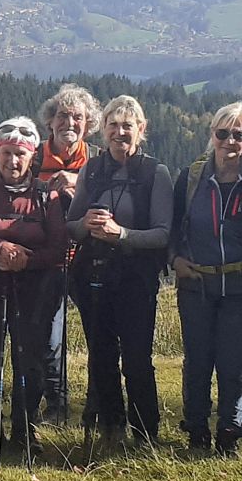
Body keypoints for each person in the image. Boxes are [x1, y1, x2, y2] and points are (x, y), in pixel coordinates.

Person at [169, 103, 242, 456]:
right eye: (222, 133)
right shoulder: (190, 178)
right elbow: (173, 227)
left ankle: (230, 433)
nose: (229, 140)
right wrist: (174, 260)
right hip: (196, 284)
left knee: (233, 363)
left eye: (238, 134)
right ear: (212, 134)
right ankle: (196, 431)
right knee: (197, 361)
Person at [64, 95, 174, 447]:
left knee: (137, 358)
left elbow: (163, 233)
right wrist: (86, 223)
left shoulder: (155, 173)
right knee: (101, 355)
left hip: (136, 279)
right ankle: (111, 427)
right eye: (113, 125)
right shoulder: (92, 170)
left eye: (128, 126)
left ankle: (145, 434)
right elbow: (70, 226)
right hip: (94, 276)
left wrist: (121, 234)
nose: (119, 132)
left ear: (141, 129)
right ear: (103, 129)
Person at [0, 117, 67, 453]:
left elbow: (59, 250)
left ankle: (25, 430)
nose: (13, 160)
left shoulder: (47, 196)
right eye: (6, 153)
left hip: (34, 292)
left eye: (20, 153)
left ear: (32, 156)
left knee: (30, 362)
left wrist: (26, 260)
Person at [34, 83, 99, 423]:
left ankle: (96, 408)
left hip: (89, 260)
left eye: (77, 117)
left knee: (98, 335)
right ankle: (56, 407)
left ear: (88, 124)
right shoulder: (33, 158)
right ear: (50, 121)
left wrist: (77, 185)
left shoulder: (99, 161)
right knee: (49, 337)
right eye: (62, 116)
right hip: (47, 260)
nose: (69, 123)